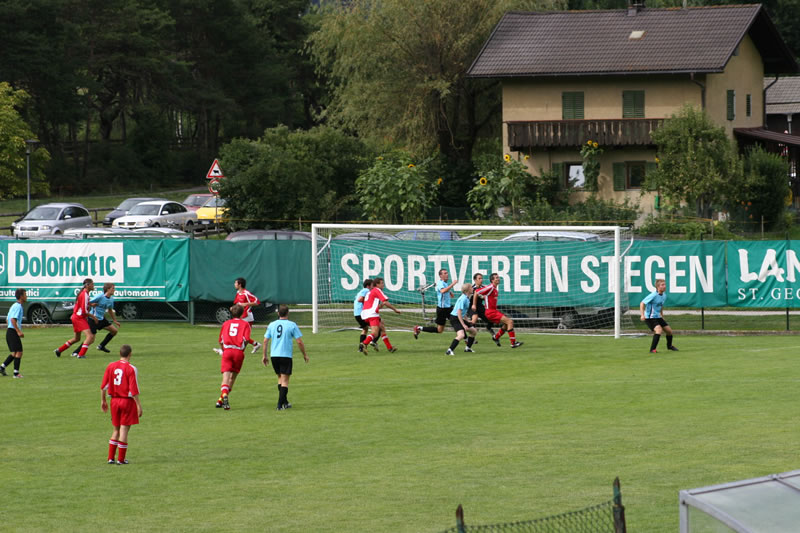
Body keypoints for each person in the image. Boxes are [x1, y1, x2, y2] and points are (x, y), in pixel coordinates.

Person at [101, 344, 142, 465]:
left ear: (120, 354)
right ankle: (121, 459)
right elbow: (133, 390)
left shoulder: (111, 366)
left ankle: (110, 458)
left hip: (114, 401)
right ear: (130, 354)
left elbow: (103, 386)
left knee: (115, 429)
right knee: (124, 429)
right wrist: (139, 405)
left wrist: (103, 401)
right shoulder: (131, 368)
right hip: (126, 401)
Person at [262, 305, 309, 410]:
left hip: (274, 355)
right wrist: (304, 354)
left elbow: (265, 341)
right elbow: (299, 341)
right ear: (288, 313)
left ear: (278, 313)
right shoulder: (292, 325)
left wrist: (264, 356)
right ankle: (279, 405)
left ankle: (285, 402)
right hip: (285, 355)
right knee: (285, 381)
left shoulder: (272, 324)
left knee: (280, 378)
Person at [215, 304, 259, 410]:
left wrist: (224, 350)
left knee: (225, 378)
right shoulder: (245, 324)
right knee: (232, 378)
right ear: (242, 313)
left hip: (227, 351)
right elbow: (246, 338)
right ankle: (222, 399)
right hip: (238, 352)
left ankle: (223, 397)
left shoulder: (226, 323)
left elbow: (220, 340)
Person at [476, 273, 523, 348]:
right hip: (490, 312)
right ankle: (513, 343)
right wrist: (474, 304)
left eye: (498, 277)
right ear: (492, 280)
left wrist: (484, 297)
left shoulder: (494, 289)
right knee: (510, 322)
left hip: (493, 311)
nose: (498, 279)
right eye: (496, 278)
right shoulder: (490, 287)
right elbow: (477, 292)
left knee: (507, 324)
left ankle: (496, 337)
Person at [54, 278, 96, 359]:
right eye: (92, 284)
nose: (93, 286)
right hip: (79, 318)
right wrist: (93, 317)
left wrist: (91, 304)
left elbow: (82, 305)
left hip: (75, 317)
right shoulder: (84, 294)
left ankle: (59, 350)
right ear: (87, 285)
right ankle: (81, 354)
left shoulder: (85, 293)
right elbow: (83, 311)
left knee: (77, 338)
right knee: (90, 336)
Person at [413, 269, 458, 338]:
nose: (447, 274)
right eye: (445, 273)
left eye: (447, 273)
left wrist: (450, 292)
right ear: (440, 275)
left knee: (457, 322)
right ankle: (419, 328)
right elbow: (442, 291)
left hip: (448, 308)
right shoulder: (440, 283)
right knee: (440, 330)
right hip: (442, 309)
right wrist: (452, 284)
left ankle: (466, 339)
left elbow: (445, 292)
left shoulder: (445, 283)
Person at [360, 277, 400, 353]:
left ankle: (390, 348)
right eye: (381, 283)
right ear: (377, 284)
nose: (383, 285)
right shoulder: (377, 290)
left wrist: (379, 307)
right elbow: (385, 302)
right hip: (372, 314)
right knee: (375, 333)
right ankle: (364, 344)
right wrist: (395, 310)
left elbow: (371, 304)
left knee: (382, 328)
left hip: (365, 314)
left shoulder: (370, 292)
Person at [640, 278, 678, 353]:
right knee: (658, 330)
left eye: (665, 284)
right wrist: (642, 315)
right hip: (650, 317)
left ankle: (669, 346)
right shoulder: (653, 295)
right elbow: (642, 303)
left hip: (658, 317)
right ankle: (652, 349)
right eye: (662, 285)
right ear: (658, 286)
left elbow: (660, 306)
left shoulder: (664, 295)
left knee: (669, 331)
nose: (664, 286)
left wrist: (662, 315)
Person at [445, 284, 478, 356]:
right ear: (467, 290)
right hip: (455, 318)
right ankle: (449, 350)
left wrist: (467, 320)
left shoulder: (467, 298)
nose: (473, 288)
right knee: (461, 335)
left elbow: (463, 311)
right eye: (471, 287)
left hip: (458, 318)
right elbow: (458, 312)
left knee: (473, 331)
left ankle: (468, 348)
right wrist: (463, 324)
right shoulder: (463, 299)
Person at [1, 289, 27, 378]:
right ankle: (16, 373)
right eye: (25, 294)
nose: (26, 296)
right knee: (19, 352)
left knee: (14, 353)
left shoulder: (14, 306)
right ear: (21, 296)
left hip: (10, 331)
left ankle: (2, 367)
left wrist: (11, 328)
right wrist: (18, 331)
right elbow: (12, 319)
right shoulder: (18, 306)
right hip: (12, 332)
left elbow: (7, 319)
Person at [89, 283, 121, 353]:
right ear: (108, 289)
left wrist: (115, 320)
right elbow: (87, 302)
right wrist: (91, 304)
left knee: (114, 331)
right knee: (90, 339)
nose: (114, 290)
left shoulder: (111, 299)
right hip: (93, 319)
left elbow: (110, 310)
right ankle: (76, 352)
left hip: (101, 319)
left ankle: (101, 346)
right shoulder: (100, 296)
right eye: (113, 288)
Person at [470, 273, 496, 339]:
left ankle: (488, 328)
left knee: (491, 318)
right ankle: (472, 336)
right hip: (472, 307)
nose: (481, 280)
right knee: (474, 319)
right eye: (479, 278)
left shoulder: (484, 288)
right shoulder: (471, 289)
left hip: (480, 307)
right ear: (475, 280)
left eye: (482, 278)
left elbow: (487, 297)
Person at [353, 279, 374, 353]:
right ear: (368, 286)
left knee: (365, 329)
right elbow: (360, 299)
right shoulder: (366, 291)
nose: (373, 287)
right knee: (378, 326)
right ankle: (373, 341)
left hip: (357, 314)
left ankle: (361, 348)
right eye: (372, 285)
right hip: (362, 313)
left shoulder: (361, 291)